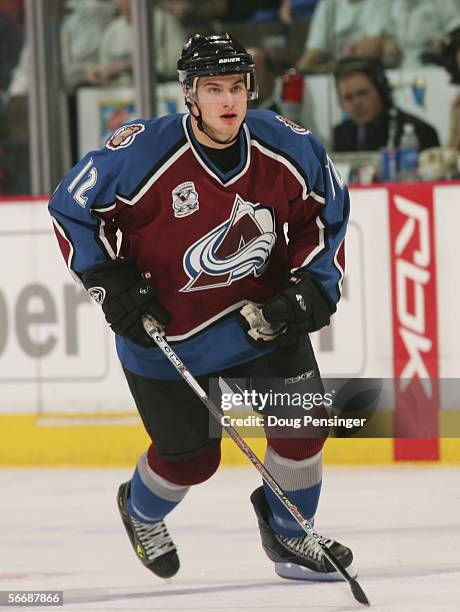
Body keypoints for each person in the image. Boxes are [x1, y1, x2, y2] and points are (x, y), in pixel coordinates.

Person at [48, 33, 352, 582]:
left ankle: (289, 536)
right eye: (214, 89)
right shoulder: (142, 152)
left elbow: (324, 215)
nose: (229, 102)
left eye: (237, 87)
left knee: (304, 426)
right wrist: (107, 278)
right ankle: (139, 510)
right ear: (190, 94)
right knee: (193, 461)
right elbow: (70, 207)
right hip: (166, 335)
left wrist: (312, 285)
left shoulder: (286, 145)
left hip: (263, 319)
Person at [333, 58, 440, 152]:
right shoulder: (339, 135)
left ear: (382, 92)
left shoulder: (420, 131)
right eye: (348, 97)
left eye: (363, 93)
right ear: (340, 103)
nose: (356, 103)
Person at [296, 0, 389, 73]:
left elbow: (373, 49)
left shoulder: (379, 2)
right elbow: (314, 51)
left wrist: (331, 67)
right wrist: (299, 72)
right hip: (337, 75)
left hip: (372, 74)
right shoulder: (328, 3)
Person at [382, 0, 460, 70]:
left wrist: (445, 45)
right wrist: (390, 43)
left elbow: (456, 27)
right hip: (403, 64)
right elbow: (389, 31)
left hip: (435, 62)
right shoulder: (394, 3)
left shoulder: (440, 2)